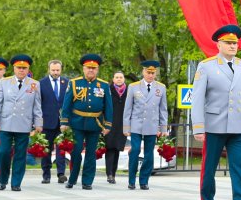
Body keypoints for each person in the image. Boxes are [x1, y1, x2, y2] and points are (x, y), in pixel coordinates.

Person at [191, 25, 241, 200]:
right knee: (209, 168)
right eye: (228, 43)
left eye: (235, 43)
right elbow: (197, 99)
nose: (233, 46)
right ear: (218, 44)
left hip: (238, 126)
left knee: (239, 167)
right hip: (214, 126)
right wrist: (198, 126)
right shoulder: (207, 66)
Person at [0, 55, 43, 191]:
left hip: (24, 124)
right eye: (19, 68)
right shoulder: (5, 82)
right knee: (2, 152)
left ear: (28, 69)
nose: (21, 70)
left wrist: (38, 123)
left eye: (24, 68)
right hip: (6, 122)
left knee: (20, 154)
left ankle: (16, 182)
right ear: (14, 68)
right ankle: (3, 179)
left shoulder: (34, 84)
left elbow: (37, 105)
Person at [60, 54, 113, 190]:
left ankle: (87, 181)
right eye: (88, 68)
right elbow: (66, 104)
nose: (91, 70)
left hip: (95, 124)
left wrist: (108, 124)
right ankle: (72, 179)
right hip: (77, 122)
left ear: (97, 70)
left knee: (91, 153)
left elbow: (108, 106)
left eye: (94, 68)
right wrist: (64, 122)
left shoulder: (104, 85)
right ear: (83, 69)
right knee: (76, 152)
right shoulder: (74, 83)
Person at [123, 60, 169, 190]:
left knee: (149, 155)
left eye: (153, 73)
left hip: (152, 125)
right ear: (143, 72)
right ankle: (132, 180)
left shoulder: (161, 87)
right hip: (136, 124)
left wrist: (163, 127)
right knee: (135, 150)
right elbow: (128, 108)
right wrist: (126, 127)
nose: (150, 75)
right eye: (148, 72)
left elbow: (163, 109)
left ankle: (144, 180)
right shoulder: (133, 86)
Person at [40, 60, 69, 184]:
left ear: (61, 70)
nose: (55, 72)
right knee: (46, 149)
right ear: (49, 70)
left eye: (57, 70)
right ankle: (46, 175)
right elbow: (38, 103)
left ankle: (61, 173)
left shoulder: (67, 83)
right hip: (46, 122)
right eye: (53, 70)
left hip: (63, 123)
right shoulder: (41, 83)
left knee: (61, 149)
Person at [106, 71, 128, 184]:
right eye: (116, 77)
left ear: (124, 79)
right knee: (109, 148)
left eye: (121, 77)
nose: (119, 79)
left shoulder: (128, 91)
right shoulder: (108, 89)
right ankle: (109, 173)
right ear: (113, 79)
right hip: (110, 123)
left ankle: (113, 173)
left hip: (122, 125)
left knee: (117, 149)